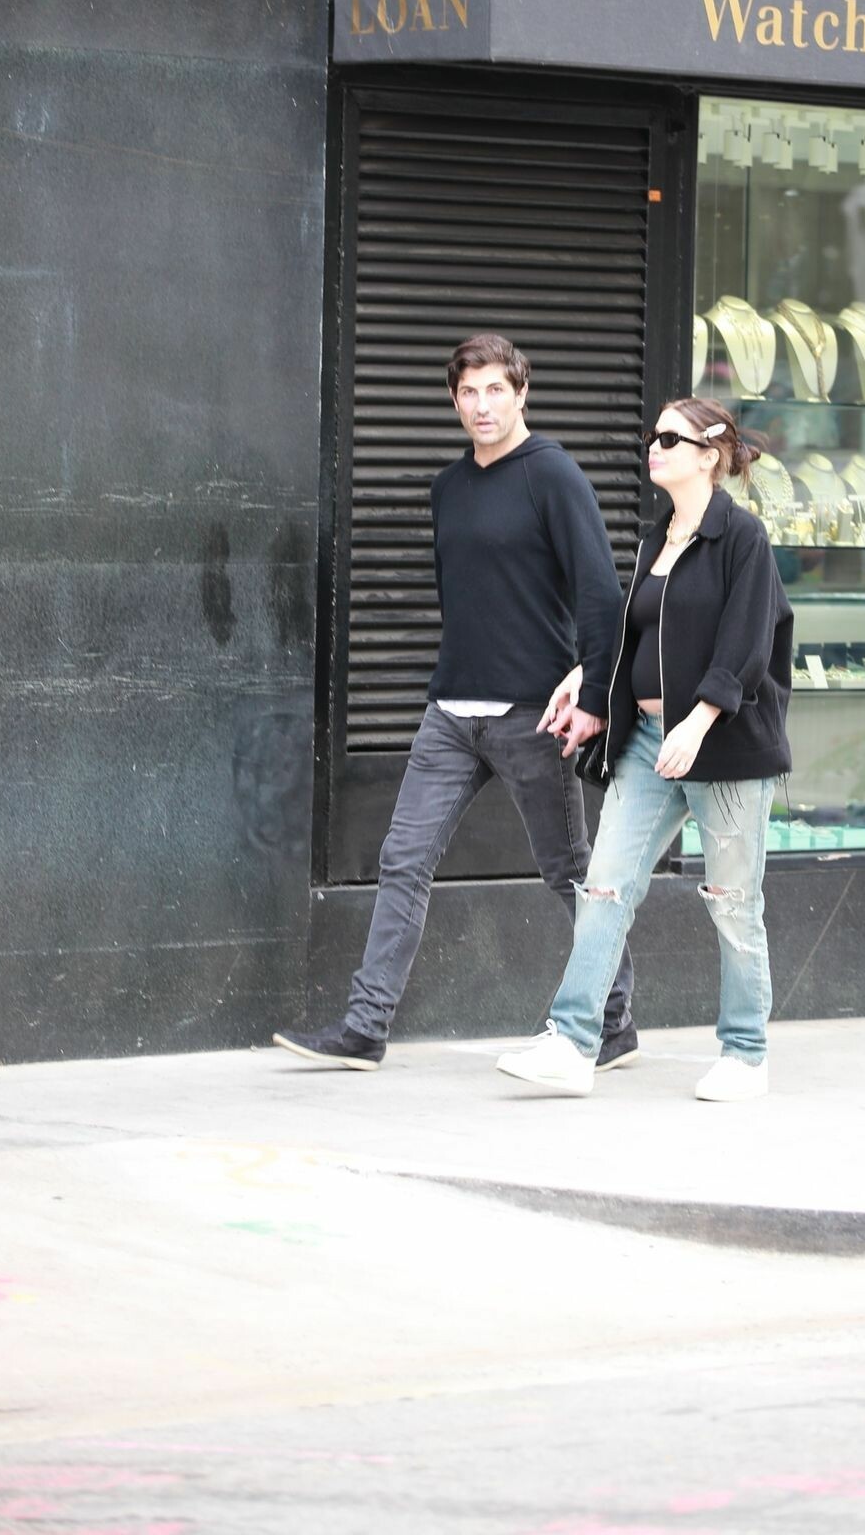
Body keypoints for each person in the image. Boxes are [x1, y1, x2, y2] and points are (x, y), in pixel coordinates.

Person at [273, 333, 636, 1070]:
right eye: (468, 392)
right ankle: (365, 1026)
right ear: (453, 399)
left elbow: (600, 594)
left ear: (522, 393)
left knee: (567, 870)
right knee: (403, 859)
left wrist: (595, 696)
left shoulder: (553, 475)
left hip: (533, 714)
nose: (482, 405)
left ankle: (615, 1019)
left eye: (495, 389)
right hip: (450, 713)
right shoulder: (449, 487)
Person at [496, 396, 792, 1104]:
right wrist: (588, 679)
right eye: (652, 436)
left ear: (709, 456)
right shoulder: (656, 540)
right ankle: (574, 1043)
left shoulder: (741, 537)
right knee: (604, 887)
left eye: (670, 438)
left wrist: (699, 720)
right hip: (648, 745)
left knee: (732, 902)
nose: (653, 447)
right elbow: (638, 637)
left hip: (723, 746)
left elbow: (747, 642)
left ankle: (745, 1054)